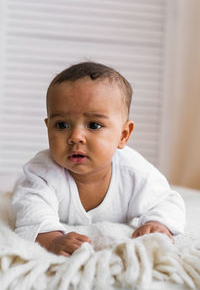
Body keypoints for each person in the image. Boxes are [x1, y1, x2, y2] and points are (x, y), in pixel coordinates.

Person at [12, 62, 185, 257]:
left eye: (94, 125)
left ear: (123, 135)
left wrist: (157, 223)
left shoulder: (135, 172)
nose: (76, 136)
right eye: (61, 125)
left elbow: (166, 201)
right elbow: (32, 212)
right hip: (35, 196)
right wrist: (52, 239)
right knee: (22, 195)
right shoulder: (42, 172)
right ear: (48, 126)